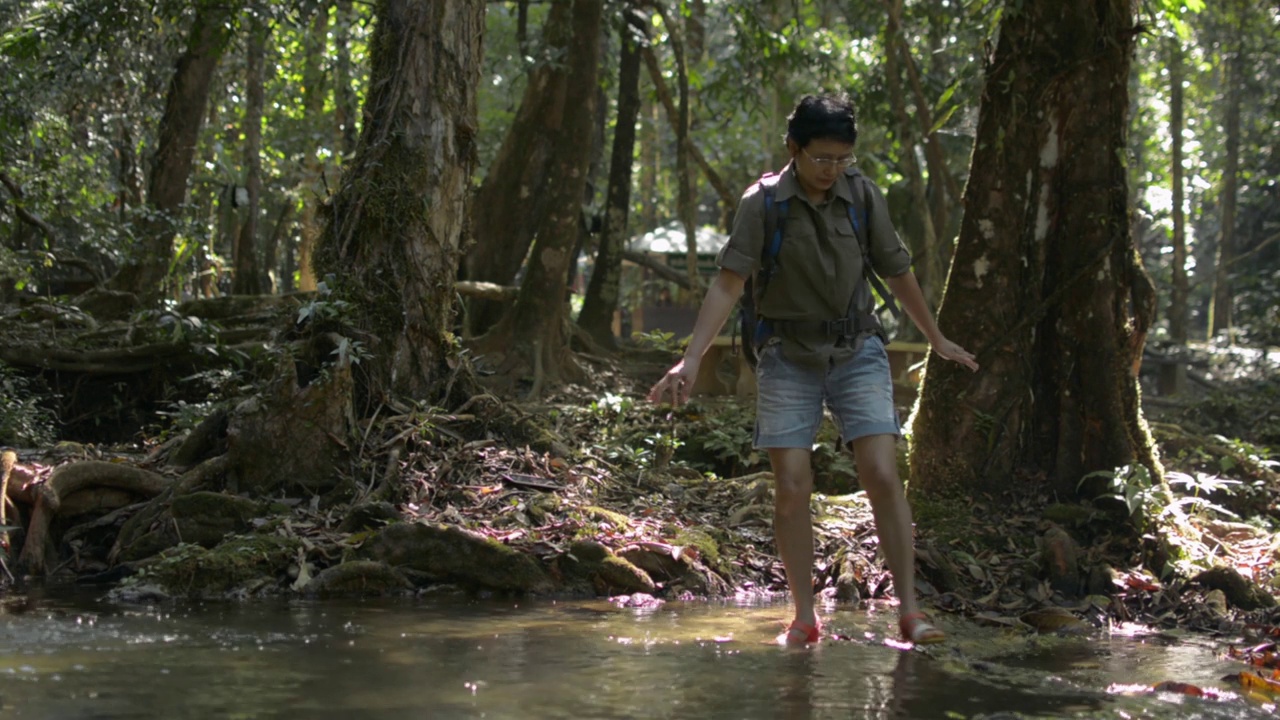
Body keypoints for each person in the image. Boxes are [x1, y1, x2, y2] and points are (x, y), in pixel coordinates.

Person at [646, 94, 979, 645]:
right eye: (822, 158)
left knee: (881, 472)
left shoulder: (863, 198)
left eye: (842, 159)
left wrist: (935, 337)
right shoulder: (764, 204)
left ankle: (911, 611)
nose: (832, 170)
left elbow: (897, 272)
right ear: (794, 150)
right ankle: (804, 615)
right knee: (792, 485)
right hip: (786, 356)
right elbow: (729, 282)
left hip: (857, 349)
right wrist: (692, 356)